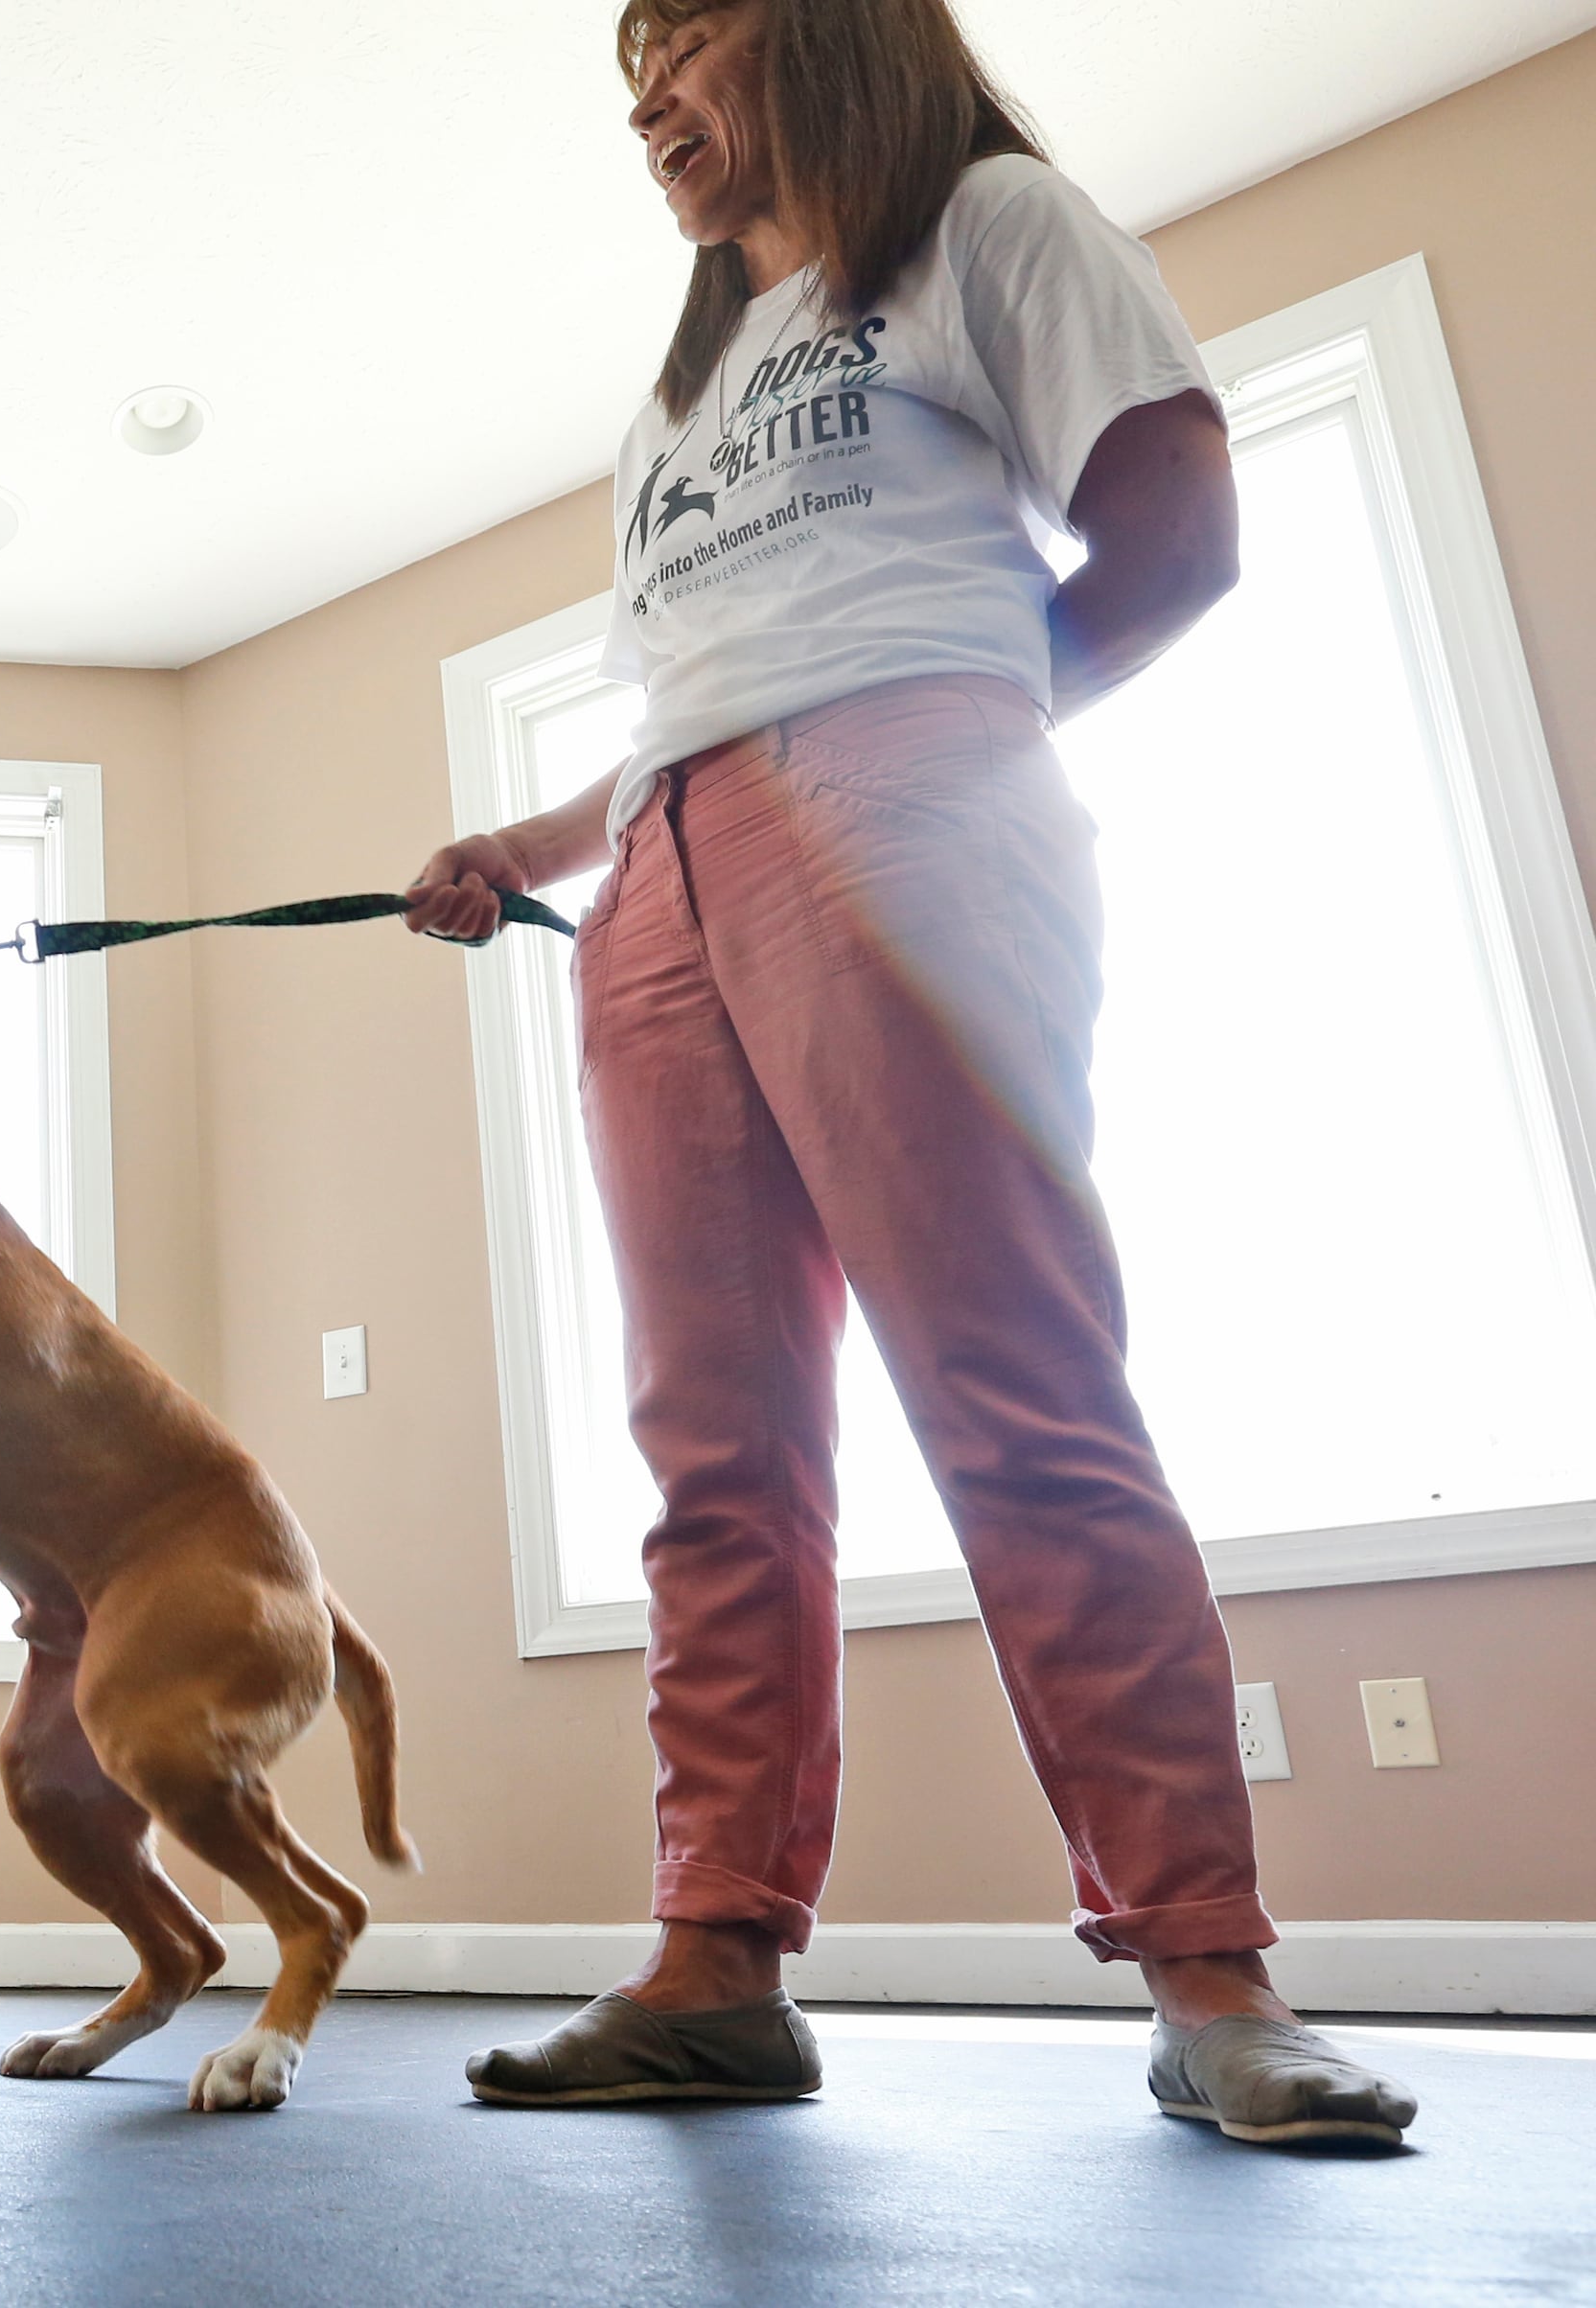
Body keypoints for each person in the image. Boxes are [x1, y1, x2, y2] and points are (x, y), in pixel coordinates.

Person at [405, 0, 1416, 2146]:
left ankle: (1211, 1974)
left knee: (1014, 1382)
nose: (650, 100)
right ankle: (717, 1954)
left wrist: (926, 731)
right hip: (657, 883)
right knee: (714, 1444)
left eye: (685, 41)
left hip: (913, 801)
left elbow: (1174, 538)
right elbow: (709, 673)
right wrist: (540, 840)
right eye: (629, 76)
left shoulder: (989, 227)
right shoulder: (671, 410)